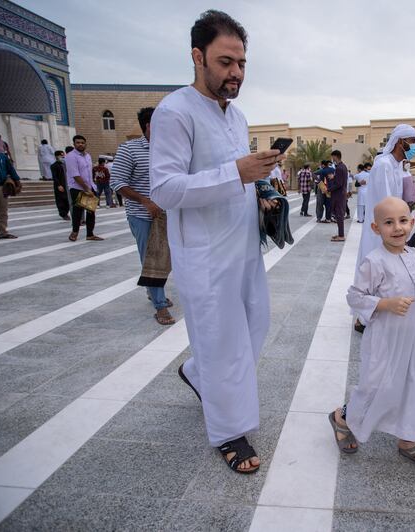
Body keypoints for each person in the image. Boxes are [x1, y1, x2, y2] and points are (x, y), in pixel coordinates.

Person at [150, 9, 285, 474]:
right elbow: (165, 189)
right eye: (226, 62)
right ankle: (228, 432)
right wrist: (236, 173)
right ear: (197, 57)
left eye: (242, 63)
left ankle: (197, 373)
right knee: (223, 340)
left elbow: (236, 178)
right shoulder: (174, 112)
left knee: (254, 327)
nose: (236, 73)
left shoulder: (238, 114)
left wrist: (261, 186)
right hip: (205, 255)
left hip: (243, 244)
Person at [329, 196, 415, 473]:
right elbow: (354, 297)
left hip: (412, 337)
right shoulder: (375, 262)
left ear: (412, 222)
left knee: (413, 385)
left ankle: (409, 440)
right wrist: (385, 304)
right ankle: (342, 417)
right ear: (375, 228)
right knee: (375, 386)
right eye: (389, 222)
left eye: (403, 220)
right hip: (384, 337)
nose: (398, 228)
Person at [111, 106, 175, 326]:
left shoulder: (169, 149)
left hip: (169, 215)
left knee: (167, 257)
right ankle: (160, 305)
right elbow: (117, 182)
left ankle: (153, 290)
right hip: (142, 215)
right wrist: (145, 201)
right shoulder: (129, 149)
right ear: (149, 126)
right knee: (152, 258)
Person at [356, 124, 415, 268]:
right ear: (400, 142)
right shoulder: (384, 164)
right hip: (381, 228)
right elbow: (387, 203)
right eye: (412, 141)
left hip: (392, 227)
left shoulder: (397, 166)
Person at [65, 135, 103, 242]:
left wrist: (91, 186)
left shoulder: (87, 156)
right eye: (78, 142)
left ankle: (90, 234)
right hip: (77, 187)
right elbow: (75, 175)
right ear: (74, 144)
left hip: (89, 186)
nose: (80, 144)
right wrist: (86, 188)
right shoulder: (71, 156)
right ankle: (74, 232)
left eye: (82, 142)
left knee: (91, 211)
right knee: (78, 211)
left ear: (85, 144)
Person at [328, 149, 348, 241]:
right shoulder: (342, 166)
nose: (332, 159)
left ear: (335, 156)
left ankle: (341, 236)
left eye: (332, 157)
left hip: (338, 195)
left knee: (339, 215)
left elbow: (339, 184)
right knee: (338, 214)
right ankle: (340, 234)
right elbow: (340, 180)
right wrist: (334, 177)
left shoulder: (340, 168)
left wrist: (328, 189)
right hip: (340, 194)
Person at [50, 150, 70, 220]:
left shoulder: (65, 165)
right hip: (60, 185)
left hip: (67, 185)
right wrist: (59, 185)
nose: (62, 157)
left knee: (68, 200)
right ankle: (63, 214)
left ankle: (66, 212)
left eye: (63, 155)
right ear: (56, 156)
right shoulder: (54, 166)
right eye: (61, 155)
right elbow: (54, 177)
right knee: (60, 200)